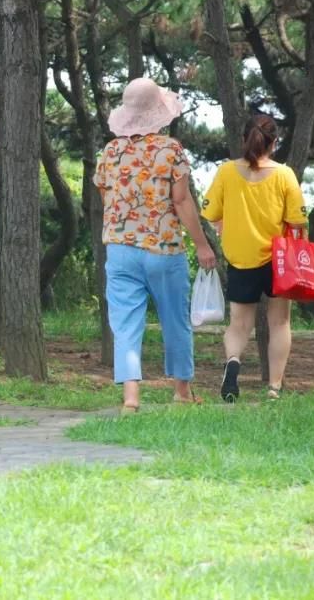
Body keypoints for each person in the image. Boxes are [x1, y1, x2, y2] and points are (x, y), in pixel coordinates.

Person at [93, 77, 217, 414]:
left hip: (119, 249)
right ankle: (181, 393)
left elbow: (108, 199)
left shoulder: (110, 152)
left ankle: (131, 399)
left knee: (125, 324)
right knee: (175, 319)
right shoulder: (169, 150)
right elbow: (181, 201)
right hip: (163, 249)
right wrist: (203, 246)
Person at [200, 114, 308, 402]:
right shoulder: (285, 175)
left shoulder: (226, 172)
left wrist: (226, 225)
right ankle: (274, 387)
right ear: (274, 142)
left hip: (240, 259)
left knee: (238, 324)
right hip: (279, 260)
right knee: (280, 323)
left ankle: (233, 363)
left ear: (244, 138)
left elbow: (210, 214)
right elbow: (297, 221)